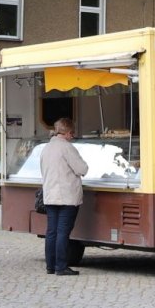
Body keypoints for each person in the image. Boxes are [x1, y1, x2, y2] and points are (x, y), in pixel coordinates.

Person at [40, 117, 89, 276]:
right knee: (63, 232)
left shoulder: (46, 148)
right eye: (72, 133)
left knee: (51, 232)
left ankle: (50, 265)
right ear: (67, 133)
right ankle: (61, 266)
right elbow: (82, 169)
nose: (72, 136)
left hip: (50, 195)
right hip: (67, 196)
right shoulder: (67, 148)